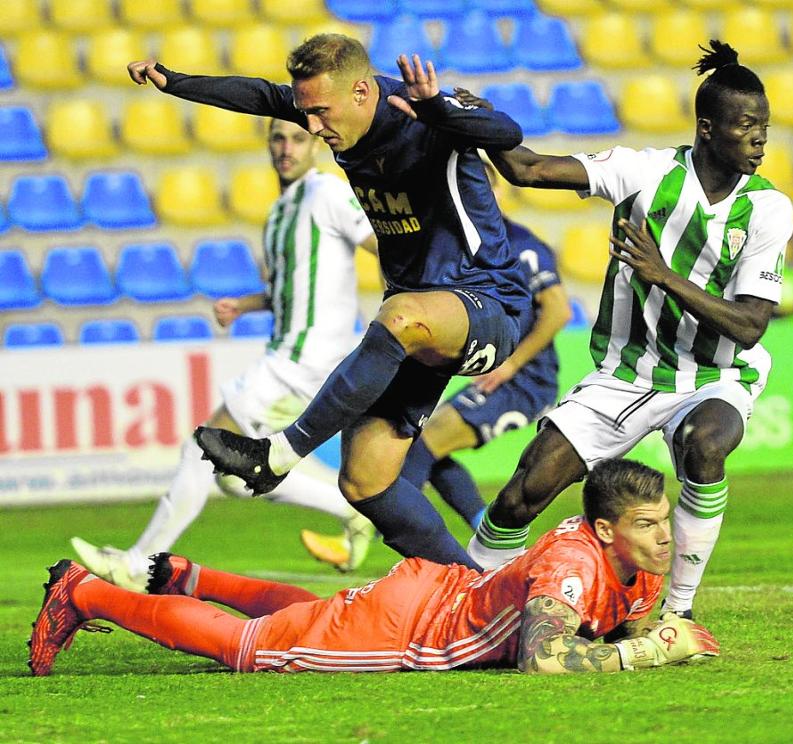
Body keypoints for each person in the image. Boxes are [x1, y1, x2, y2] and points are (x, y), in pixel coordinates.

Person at [128, 34, 532, 566]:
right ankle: (472, 594)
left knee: (401, 315)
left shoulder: (419, 115)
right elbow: (258, 95)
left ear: (362, 92)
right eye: (306, 114)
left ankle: (278, 453)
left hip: (487, 304)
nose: (313, 128)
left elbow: (508, 132)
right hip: (419, 320)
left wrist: (437, 109)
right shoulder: (335, 118)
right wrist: (174, 81)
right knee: (364, 481)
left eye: (320, 112)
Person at [460, 40, 793, 619]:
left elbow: (749, 326)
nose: (760, 138)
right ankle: (465, 606)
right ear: (708, 129)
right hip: (628, 375)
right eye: (745, 126)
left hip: (715, 374)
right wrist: (479, 122)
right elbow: (529, 169)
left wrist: (663, 276)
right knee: (521, 496)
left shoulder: (769, 209)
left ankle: (678, 613)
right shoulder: (644, 173)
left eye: (764, 126)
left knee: (705, 445)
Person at [29, 459, 720, 676]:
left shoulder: (638, 564)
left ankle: (188, 574)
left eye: (664, 522)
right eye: (650, 525)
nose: (667, 536)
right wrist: (652, 652)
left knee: (308, 619)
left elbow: (595, 632)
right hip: (413, 628)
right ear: (606, 531)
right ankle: (86, 592)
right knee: (251, 649)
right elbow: (542, 659)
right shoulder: (573, 564)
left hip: (435, 593)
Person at [70, 119, 379, 590]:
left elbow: (380, 244)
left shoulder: (327, 194)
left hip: (306, 361)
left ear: (316, 145)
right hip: (287, 355)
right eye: (277, 138)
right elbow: (288, 289)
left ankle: (138, 563)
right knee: (235, 472)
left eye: (297, 138)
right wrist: (246, 305)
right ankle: (352, 511)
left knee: (204, 444)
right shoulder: (279, 214)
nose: (285, 148)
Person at [301, 209, 572, 569]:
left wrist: (513, 364)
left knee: (419, 449)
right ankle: (488, 548)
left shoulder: (522, 245)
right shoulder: (464, 246)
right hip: (492, 372)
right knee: (429, 450)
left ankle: (377, 548)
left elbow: (559, 311)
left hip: (524, 381)